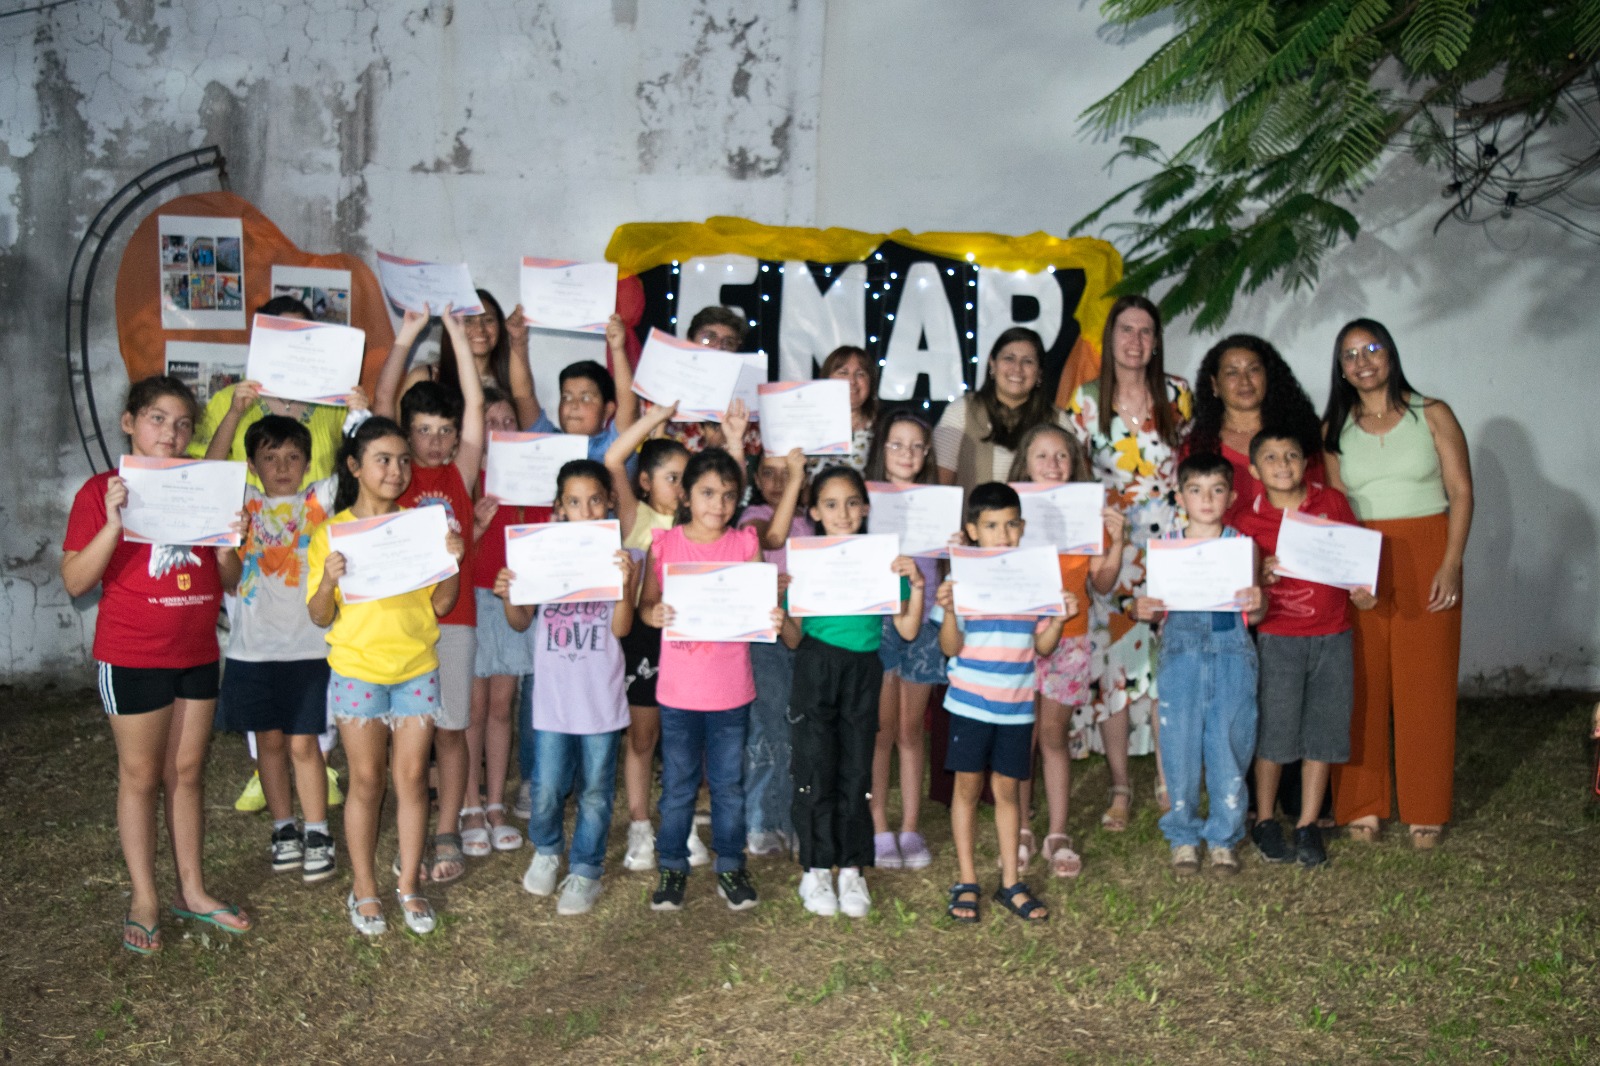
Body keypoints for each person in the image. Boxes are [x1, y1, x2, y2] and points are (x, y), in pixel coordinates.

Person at [62, 376, 252, 954]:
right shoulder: (101, 491)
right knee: (142, 776)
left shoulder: (199, 488)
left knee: (187, 773)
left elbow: (230, 580)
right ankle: (144, 897)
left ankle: (192, 890)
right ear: (128, 422)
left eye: (182, 423)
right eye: (156, 419)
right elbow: (74, 580)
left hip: (195, 653)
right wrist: (115, 524)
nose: (170, 433)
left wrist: (227, 551)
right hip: (133, 656)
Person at [307, 417, 464, 936]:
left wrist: (452, 563)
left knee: (413, 778)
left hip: (416, 668)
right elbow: (319, 616)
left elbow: (441, 604)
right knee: (368, 780)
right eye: (382, 459)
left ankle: (410, 886)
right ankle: (364, 887)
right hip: (358, 671)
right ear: (354, 466)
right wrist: (329, 581)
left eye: (402, 460)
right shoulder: (330, 534)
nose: (396, 470)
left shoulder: (422, 526)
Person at [1321, 319, 1473, 850]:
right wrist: (1348, 576)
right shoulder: (1334, 428)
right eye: (1349, 355)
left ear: (1391, 354)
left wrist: (1451, 562)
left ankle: (1425, 807)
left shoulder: (1432, 413)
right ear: (1340, 369)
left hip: (1428, 552)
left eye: (1371, 349)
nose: (1362, 362)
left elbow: (1460, 490)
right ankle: (1362, 805)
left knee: (1425, 682)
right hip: (1364, 556)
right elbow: (1336, 509)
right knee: (1361, 683)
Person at [213, 411, 366, 885]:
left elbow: (351, 464)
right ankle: (284, 828)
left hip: (310, 651)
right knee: (270, 746)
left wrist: (357, 414)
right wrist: (225, 551)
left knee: (305, 745)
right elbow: (231, 580)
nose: (282, 466)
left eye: (293, 457)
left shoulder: (317, 500)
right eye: (270, 458)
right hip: (252, 651)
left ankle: (317, 831)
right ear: (253, 465)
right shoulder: (244, 506)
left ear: (307, 461)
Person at [771, 463, 924, 917]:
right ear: (815, 510)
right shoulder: (804, 563)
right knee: (816, 769)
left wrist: (915, 586)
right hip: (816, 665)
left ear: (865, 508)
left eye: (852, 503)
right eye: (832, 505)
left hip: (863, 669)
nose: (843, 513)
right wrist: (782, 619)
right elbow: (796, 640)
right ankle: (816, 870)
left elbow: (909, 630)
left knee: (858, 770)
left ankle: (853, 868)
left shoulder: (881, 561)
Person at [1064, 295, 1193, 831]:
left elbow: (1190, 469)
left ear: (1156, 341)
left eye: (1145, 331)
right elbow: (1070, 475)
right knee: (1114, 668)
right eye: (1125, 330)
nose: (1135, 341)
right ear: (1111, 337)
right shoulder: (1084, 402)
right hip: (1112, 552)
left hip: (1171, 547)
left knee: (1168, 668)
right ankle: (1120, 786)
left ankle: (1169, 779)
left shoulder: (1177, 395)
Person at [637, 449, 782, 911]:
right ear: (685, 494)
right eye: (706, 493)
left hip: (730, 690)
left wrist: (771, 615)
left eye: (728, 495)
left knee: (727, 785)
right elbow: (646, 604)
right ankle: (672, 866)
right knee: (678, 785)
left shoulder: (744, 545)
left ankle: (731, 865)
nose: (717, 504)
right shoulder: (664, 545)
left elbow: (760, 612)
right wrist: (653, 613)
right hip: (678, 692)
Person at [498, 461, 638, 915]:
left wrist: (625, 585)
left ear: (610, 503)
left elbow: (620, 629)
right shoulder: (542, 554)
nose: (586, 509)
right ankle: (547, 849)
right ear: (559, 508)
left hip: (600, 699)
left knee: (596, 789)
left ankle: (586, 869)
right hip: (554, 702)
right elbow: (521, 622)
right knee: (547, 785)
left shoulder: (621, 558)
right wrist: (508, 595)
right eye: (574, 502)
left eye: (595, 500)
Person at [1234, 430, 1376, 867]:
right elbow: (1235, 588)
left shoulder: (1331, 504)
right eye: (1271, 457)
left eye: (1292, 455)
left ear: (1305, 464)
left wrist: (1363, 592)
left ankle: (1308, 823)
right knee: (1275, 734)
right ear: (1255, 471)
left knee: (1323, 732)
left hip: (1333, 634)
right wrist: (1260, 577)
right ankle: (1264, 819)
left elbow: (1357, 564)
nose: (1283, 464)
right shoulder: (1244, 519)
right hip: (1277, 639)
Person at [935, 483, 1076, 923]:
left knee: (1008, 792)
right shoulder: (959, 581)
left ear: (1022, 528)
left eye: (1011, 524)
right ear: (973, 531)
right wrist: (953, 610)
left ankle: (1011, 882)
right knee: (967, 788)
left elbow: (1044, 647)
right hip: (970, 705)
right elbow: (949, 646)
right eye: (991, 525)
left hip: (1017, 706)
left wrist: (1057, 620)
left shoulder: (1033, 578)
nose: (1002, 534)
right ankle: (967, 879)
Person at [376, 305, 484, 882]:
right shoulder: (394, 475)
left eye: (446, 431)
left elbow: (471, 407)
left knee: (451, 728)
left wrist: (459, 339)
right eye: (425, 431)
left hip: (456, 620)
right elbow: (384, 399)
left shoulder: (458, 474)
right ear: (405, 433)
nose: (439, 442)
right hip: (400, 624)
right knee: (407, 736)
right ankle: (410, 830)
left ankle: (448, 830)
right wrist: (410, 333)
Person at [1132, 454, 1266, 875]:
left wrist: (1258, 604)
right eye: (1195, 490)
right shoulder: (1166, 548)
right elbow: (1155, 611)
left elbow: (1255, 616)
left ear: (1232, 495)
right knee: (1180, 747)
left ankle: (1224, 837)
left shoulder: (1243, 548)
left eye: (1217, 489)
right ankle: (1184, 836)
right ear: (1179, 496)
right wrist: (1145, 609)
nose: (1206, 499)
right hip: (1182, 653)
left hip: (1232, 650)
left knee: (1230, 744)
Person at [1006, 424, 1125, 878]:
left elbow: (1101, 583)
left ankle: (1057, 832)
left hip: (1069, 638)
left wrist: (1118, 545)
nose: (1053, 465)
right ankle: (1018, 828)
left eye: (1061, 457)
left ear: (1074, 464)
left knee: (1052, 734)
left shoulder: (1085, 515)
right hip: (1016, 637)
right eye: (1042, 456)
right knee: (1021, 735)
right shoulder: (1009, 512)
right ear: (1025, 464)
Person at [603, 401, 693, 871]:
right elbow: (613, 459)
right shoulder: (635, 517)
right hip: (641, 638)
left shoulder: (698, 523)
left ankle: (682, 820)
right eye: (671, 477)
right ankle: (640, 822)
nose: (680, 488)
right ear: (646, 482)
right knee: (643, 736)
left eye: (686, 478)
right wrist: (654, 421)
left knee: (681, 736)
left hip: (690, 641)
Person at [863, 411, 946, 871]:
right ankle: (878, 826)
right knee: (881, 732)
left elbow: (953, 563)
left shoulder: (938, 504)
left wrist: (959, 541)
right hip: (878, 623)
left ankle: (910, 827)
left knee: (912, 732)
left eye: (917, 446)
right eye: (897, 445)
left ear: (928, 453)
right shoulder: (865, 502)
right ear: (882, 449)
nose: (907, 454)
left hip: (926, 624)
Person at [738, 447, 816, 857]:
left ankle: (795, 819)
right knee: (767, 731)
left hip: (805, 636)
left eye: (787, 475)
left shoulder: (813, 524)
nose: (777, 483)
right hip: (765, 641)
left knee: (800, 732)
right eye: (768, 474)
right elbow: (772, 538)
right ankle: (762, 822)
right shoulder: (752, 520)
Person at [465, 388, 534, 850]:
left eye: (509, 420)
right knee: (471, 707)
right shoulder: (466, 476)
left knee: (500, 705)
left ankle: (495, 802)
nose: (502, 429)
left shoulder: (533, 478)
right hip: (470, 597)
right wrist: (476, 523)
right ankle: (468, 802)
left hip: (514, 598)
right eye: (491, 421)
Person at [188, 296, 349, 491]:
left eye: (301, 335)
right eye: (284, 335)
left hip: (319, 519)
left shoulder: (334, 403)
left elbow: (359, 469)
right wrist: (234, 413)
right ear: (262, 341)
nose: (292, 344)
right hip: (247, 518)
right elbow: (205, 475)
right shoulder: (227, 399)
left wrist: (360, 413)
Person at [1181, 334, 1323, 526]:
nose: (1245, 381)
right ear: (1215, 384)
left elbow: (1320, 503)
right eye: (1232, 373)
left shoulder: (1301, 437)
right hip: (1224, 552)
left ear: (1267, 377)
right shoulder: (1196, 446)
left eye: (1253, 370)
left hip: (1292, 552)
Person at [933, 327, 1065, 492]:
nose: (1017, 368)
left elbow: (1073, 484)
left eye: (1028, 361)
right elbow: (938, 485)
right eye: (1009, 358)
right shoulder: (961, 411)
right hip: (970, 517)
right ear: (992, 364)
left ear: (1039, 373)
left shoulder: (1057, 420)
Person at [523, 314, 640, 458]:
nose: (574, 405)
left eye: (585, 398)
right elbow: (523, 396)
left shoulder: (614, 445)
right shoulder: (546, 440)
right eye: (566, 397)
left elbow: (629, 405)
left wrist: (617, 349)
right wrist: (517, 342)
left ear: (608, 410)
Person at [662, 306, 764, 457]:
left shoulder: (747, 406)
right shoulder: (664, 393)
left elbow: (753, 456)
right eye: (708, 338)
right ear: (690, 341)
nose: (718, 347)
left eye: (728, 342)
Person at [805, 345, 878, 478]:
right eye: (843, 372)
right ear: (826, 379)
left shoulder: (882, 428)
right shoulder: (806, 423)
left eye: (860, 374)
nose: (851, 381)